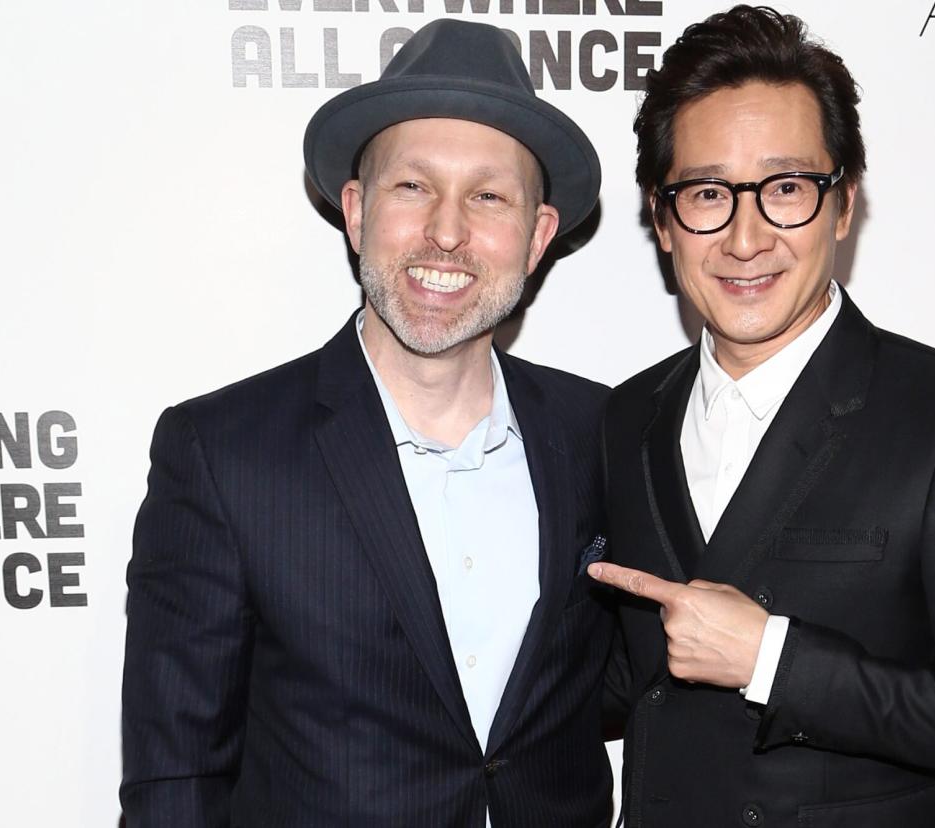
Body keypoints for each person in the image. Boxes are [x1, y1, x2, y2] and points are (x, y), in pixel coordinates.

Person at [120, 19, 614, 827]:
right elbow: (175, 781)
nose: (446, 233)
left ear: (537, 237)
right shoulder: (222, 453)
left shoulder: (600, 430)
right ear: (355, 211)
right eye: (412, 186)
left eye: (488, 196)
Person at [591, 6, 935, 826]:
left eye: (785, 190)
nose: (746, 239)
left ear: (843, 205)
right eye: (707, 193)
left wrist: (773, 659)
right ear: (662, 219)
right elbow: (619, 682)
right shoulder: (626, 415)